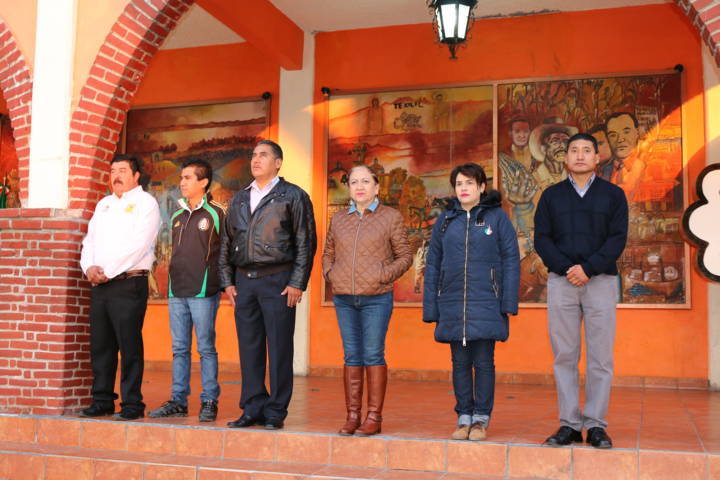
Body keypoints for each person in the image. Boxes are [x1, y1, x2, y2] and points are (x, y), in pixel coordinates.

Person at [534, 133, 628, 449]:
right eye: (574, 150)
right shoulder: (551, 196)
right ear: (565, 158)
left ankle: (596, 425)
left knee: (600, 357)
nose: (579, 155)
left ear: (597, 158)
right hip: (562, 283)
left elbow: (617, 238)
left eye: (587, 150)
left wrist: (588, 268)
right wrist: (567, 269)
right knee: (565, 355)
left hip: (600, 281)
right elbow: (542, 239)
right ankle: (570, 425)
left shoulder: (613, 195)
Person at [219, 140, 317, 430]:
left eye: (263, 155)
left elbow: (305, 241)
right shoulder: (239, 198)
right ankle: (252, 407)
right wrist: (227, 281)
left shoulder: (293, 196)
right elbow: (226, 243)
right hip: (244, 283)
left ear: (278, 163)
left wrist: (297, 282)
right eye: (253, 155)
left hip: (278, 281)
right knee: (249, 348)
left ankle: (275, 410)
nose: (256, 160)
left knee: (279, 347)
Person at [423, 163, 520, 441]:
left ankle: (481, 419)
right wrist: (431, 306)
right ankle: (463, 416)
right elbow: (433, 263)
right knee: (460, 362)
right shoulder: (446, 221)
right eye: (459, 184)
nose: (463, 188)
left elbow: (511, 259)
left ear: (481, 187)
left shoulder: (497, 218)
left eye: (469, 183)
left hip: (487, 301)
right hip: (452, 302)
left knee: (484, 362)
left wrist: (508, 302)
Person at [322, 165, 413, 436]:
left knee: (373, 354)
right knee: (351, 355)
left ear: (376, 187)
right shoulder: (339, 219)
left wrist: (383, 275)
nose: (359, 186)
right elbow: (328, 252)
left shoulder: (390, 217)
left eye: (365, 181)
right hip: (344, 298)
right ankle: (353, 416)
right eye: (354, 182)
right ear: (349, 187)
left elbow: (405, 256)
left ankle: (374, 416)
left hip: (377, 298)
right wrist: (330, 273)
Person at [79, 155, 161, 420]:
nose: (116, 175)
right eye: (113, 171)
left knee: (129, 345)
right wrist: (89, 268)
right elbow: (89, 241)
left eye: (123, 170)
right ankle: (102, 400)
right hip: (100, 284)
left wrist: (107, 272)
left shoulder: (146, 203)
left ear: (136, 176)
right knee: (101, 345)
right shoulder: (103, 204)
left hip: (128, 283)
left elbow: (139, 245)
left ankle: (132, 404)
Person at [148, 160, 225, 422]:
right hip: (177, 291)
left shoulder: (216, 213)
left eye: (188, 178)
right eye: (181, 178)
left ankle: (209, 400)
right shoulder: (177, 216)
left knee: (206, 348)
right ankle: (178, 401)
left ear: (203, 182)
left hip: (203, 291)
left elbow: (225, 252)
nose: (182, 182)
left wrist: (225, 284)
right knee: (179, 348)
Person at [528, 118, 578, 190]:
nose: (562, 146)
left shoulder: (572, 178)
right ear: (543, 148)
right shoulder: (534, 180)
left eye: (565, 141)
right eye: (555, 141)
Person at [605, 112, 646, 201]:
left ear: (637, 133)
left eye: (626, 132)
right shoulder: (604, 170)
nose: (620, 139)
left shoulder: (647, 166)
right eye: (613, 135)